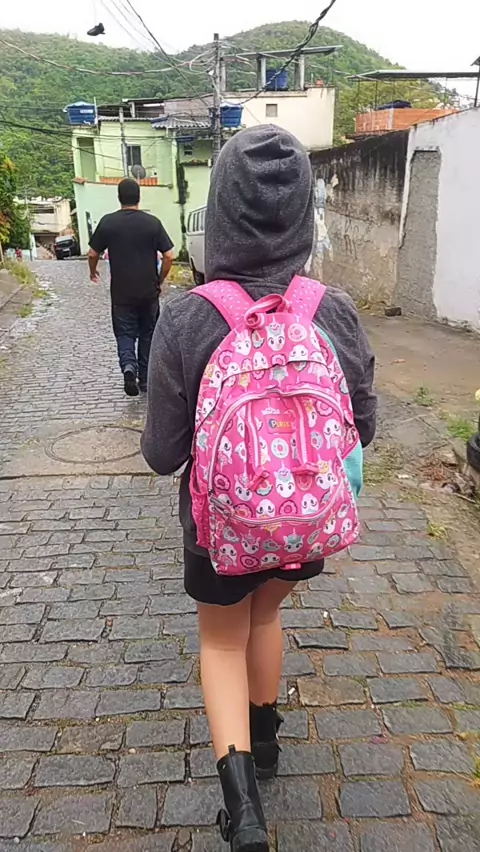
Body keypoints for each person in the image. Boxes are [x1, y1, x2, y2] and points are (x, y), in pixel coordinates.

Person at [141, 126, 377, 851]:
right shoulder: (332, 309)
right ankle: (265, 741)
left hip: (221, 532)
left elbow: (162, 455)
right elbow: (363, 427)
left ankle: (243, 812)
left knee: (222, 640)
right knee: (266, 614)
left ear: (221, 208)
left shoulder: (188, 315)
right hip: (303, 521)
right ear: (303, 211)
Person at [88, 178, 174, 396]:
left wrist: (92, 271)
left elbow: (92, 253)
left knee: (125, 334)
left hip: (121, 292)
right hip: (149, 290)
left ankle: (128, 367)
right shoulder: (152, 223)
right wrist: (160, 279)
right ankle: (144, 379)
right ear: (139, 197)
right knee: (148, 334)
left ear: (119, 197)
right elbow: (169, 256)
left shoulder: (108, 222)